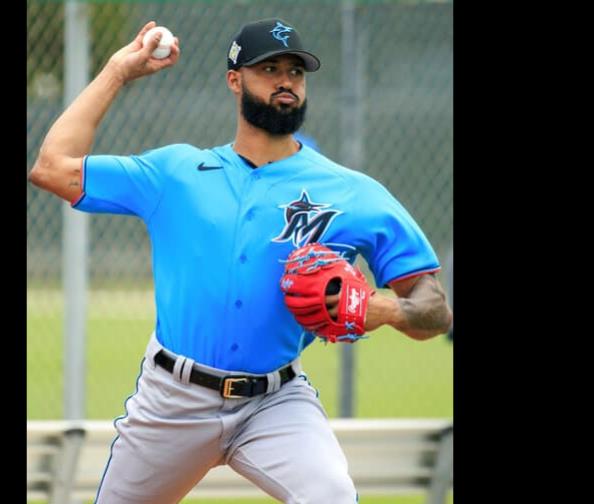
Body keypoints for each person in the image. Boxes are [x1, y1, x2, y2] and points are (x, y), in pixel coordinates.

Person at [29, 18, 452, 504]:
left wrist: (382, 309)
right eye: (268, 68)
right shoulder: (177, 173)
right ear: (235, 80)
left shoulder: (354, 193)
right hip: (172, 400)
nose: (285, 81)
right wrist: (117, 72)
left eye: (296, 71)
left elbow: (434, 310)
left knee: (330, 495)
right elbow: (51, 168)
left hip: (276, 401)